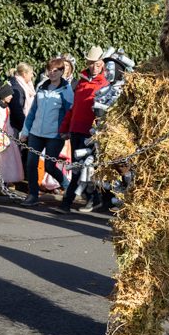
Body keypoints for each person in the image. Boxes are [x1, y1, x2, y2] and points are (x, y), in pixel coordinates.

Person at [56, 46, 109, 214]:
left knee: (81, 168)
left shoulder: (105, 83)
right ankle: (95, 199)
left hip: (91, 132)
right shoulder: (81, 81)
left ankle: (67, 202)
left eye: (97, 63)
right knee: (80, 168)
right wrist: (65, 128)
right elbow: (74, 108)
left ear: (102, 63)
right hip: (76, 130)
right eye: (92, 63)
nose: (94, 66)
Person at [18, 57, 73, 206]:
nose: (52, 73)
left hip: (54, 135)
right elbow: (33, 111)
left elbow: (69, 113)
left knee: (49, 165)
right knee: (31, 163)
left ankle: (67, 186)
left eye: (56, 70)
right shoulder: (41, 86)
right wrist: (25, 131)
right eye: (50, 70)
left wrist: (66, 132)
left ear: (62, 71)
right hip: (36, 133)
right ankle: (33, 195)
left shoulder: (67, 90)